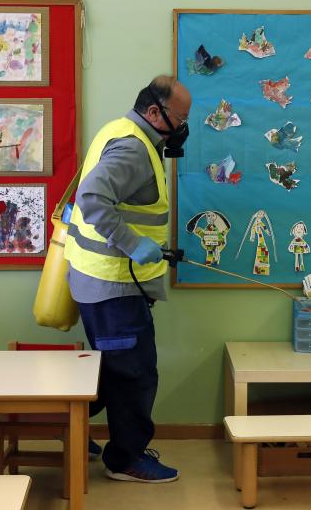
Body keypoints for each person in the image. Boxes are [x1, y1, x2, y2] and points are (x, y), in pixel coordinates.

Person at [63, 75, 191, 483]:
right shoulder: (134, 148)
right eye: (179, 117)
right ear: (154, 112)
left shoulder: (120, 129)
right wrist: (133, 244)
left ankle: (71, 427)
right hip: (113, 284)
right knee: (134, 372)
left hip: (97, 278)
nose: (184, 126)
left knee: (108, 368)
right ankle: (126, 459)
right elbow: (92, 198)